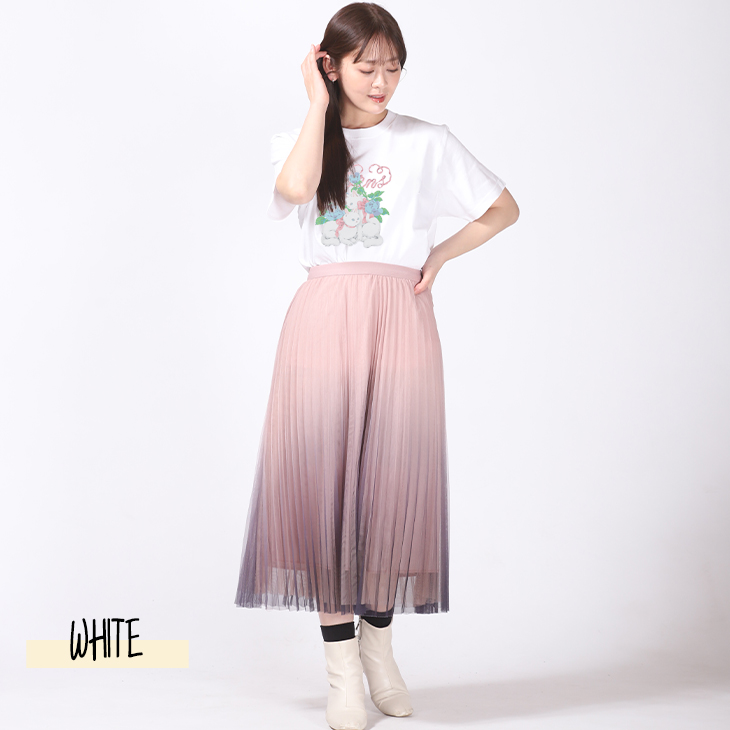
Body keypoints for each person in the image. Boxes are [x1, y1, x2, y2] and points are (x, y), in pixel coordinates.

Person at [234, 3, 519, 729]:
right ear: (331, 66)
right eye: (366, 66)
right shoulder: (302, 140)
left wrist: (439, 256)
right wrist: (316, 103)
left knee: (391, 483)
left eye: (393, 66)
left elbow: (503, 209)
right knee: (326, 489)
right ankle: (341, 673)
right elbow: (295, 191)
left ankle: (380, 651)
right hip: (324, 315)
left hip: (401, 313)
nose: (382, 80)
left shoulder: (428, 141)